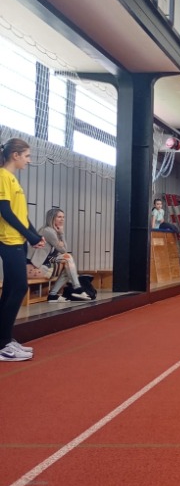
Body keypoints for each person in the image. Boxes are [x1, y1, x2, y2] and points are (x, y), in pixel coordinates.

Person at [0, 138, 44, 362]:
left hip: (18, 240)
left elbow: (22, 215)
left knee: (11, 289)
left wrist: (34, 235)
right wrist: (29, 235)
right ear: (15, 155)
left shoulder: (13, 179)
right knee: (19, 287)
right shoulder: (2, 176)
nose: (29, 160)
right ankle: (3, 344)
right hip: (8, 240)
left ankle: (5, 338)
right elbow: (5, 212)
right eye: (26, 156)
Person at [34, 207, 90, 301]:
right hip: (40, 263)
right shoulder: (48, 231)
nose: (62, 219)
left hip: (48, 260)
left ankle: (53, 295)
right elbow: (64, 250)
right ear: (52, 218)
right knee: (68, 258)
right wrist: (62, 234)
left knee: (67, 265)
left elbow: (64, 249)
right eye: (59, 217)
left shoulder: (53, 231)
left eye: (63, 217)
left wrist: (60, 235)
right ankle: (77, 288)